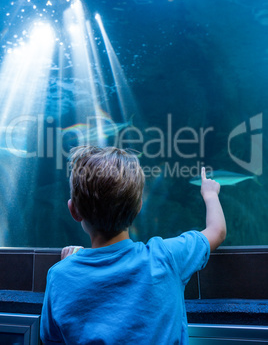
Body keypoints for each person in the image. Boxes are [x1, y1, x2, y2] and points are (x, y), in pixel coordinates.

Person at [40, 146, 226, 345]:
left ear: (74, 211)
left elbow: (52, 339)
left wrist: (70, 266)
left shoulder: (59, 276)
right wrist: (210, 194)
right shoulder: (165, 257)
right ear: (138, 207)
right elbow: (217, 231)